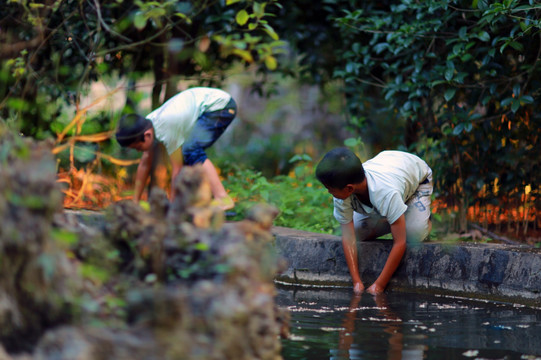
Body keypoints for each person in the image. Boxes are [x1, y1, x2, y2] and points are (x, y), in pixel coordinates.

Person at [315, 147, 433, 295]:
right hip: (390, 171)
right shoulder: (342, 190)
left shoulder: (385, 192)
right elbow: (349, 236)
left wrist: (379, 285)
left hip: (416, 176)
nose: (328, 192)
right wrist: (357, 282)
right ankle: (395, 217)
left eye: (329, 188)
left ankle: (419, 219)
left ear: (349, 189)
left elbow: (399, 243)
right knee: (358, 233)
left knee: (413, 235)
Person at [115, 87, 237, 210]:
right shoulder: (148, 123)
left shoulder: (166, 128)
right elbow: (145, 164)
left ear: (147, 135)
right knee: (189, 155)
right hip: (207, 107)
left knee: (190, 151)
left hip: (220, 106)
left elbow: (177, 170)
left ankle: (221, 198)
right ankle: (192, 203)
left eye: (137, 147)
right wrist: (135, 201)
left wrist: (172, 208)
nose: (138, 151)